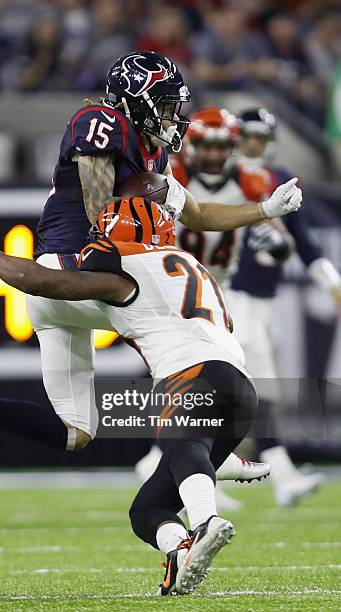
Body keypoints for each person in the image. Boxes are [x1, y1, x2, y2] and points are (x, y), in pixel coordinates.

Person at [0, 193, 298, 594]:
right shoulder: (193, 266)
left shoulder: (123, 272)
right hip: (238, 389)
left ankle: (205, 520)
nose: (97, 238)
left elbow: (41, 280)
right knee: (147, 510)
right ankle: (179, 548)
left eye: (103, 233)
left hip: (192, 376)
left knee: (179, 441)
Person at [135, 105, 274, 510]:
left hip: (219, 291)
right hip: (171, 286)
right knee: (191, 373)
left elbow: (274, 231)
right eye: (205, 145)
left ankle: (182, 459)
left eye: (221, 146)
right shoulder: (170, 175)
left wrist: (275, 239)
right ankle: (181, 460)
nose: (214, 155)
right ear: (190, 144)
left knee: (224, 379)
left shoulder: (252, 179)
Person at [226, 107, 341, 505]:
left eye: (260, 137)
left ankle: (175, 469)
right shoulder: (222, 178)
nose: (253, 144)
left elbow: (306, 245)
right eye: (247, 136)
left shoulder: (277, 181)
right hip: (231, 296)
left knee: (239, 392)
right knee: (258, 389)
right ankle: (283, 474)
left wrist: (332, 283)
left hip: (264, 300)